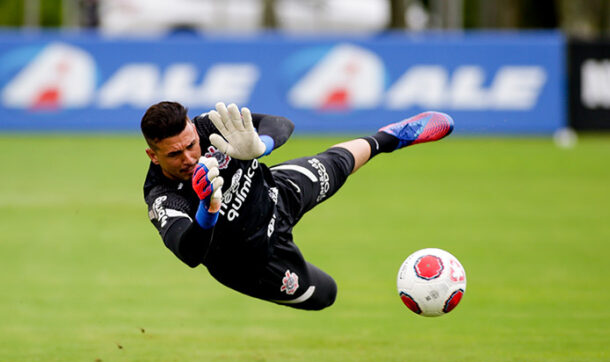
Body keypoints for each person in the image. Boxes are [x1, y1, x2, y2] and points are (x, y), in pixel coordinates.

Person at [141, 102, 453, 310]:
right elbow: (189, 253)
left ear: (194, 132)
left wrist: (262, 145)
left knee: (336, 163)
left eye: (191, 145)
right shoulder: (161, 195)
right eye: (174, 154)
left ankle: (391, 137)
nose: (189, 158)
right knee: (326, 294)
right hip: (252, 263)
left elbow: (281, 123)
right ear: (153, 155)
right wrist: (207, 211)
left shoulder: (211, 125)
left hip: (275, 194)